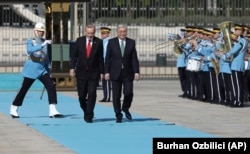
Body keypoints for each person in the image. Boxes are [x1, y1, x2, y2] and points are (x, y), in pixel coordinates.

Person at [10, 22, 63, 118]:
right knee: (23, 89)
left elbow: (46, 58)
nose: (41, 33)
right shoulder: (31, 41)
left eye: (42, 31)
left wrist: (49, 70)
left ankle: (53, 109)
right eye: (39, 31)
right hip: (31, 69)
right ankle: (14, 107)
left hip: (42, 69)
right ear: (35, 31)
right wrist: (42, 45)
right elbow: (30, 50)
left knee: (51, 87)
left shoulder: (45, 42)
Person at [104, 24, 140, 123]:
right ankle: (118, 114)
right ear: (117, 32)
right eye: (121, 32)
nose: (123, 33)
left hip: (128, 72)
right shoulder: (111, 42)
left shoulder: (131, 42)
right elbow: (108, 58)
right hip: (115, 73)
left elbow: (134, 58)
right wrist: (106, 71)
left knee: (128, 92)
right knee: (116, 95)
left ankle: (125, 108)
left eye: (124, 32)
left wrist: (136, 71)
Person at [69, 23, 104, 123]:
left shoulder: (99, 42)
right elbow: (74, 56)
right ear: (85, 32)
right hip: (81, 72)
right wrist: (72, 68)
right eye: (88, 33)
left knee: (92, 93)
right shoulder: (79, 41)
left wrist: (102, 72)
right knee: (81, 96)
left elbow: (101, 58)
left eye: (92, 33)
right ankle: (86, 110)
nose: (90, 35)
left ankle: (89, 114)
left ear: (94, 32)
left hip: (94, 72)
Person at [99, 27, 112, 102]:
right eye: (102, 33)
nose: (102, 35)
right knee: (103, 80)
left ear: (107, 34)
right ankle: (105, 96)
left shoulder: (109, 42)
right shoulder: (102, 42)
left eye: (104, 33)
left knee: (106, 80)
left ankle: (107, 97)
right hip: (102, 62)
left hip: (106, 63)